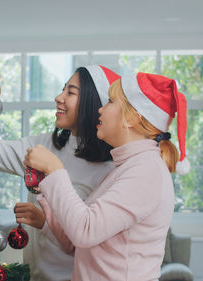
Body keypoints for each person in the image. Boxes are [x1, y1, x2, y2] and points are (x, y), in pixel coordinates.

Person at [24, 72, 190, 280]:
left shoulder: (146, 172)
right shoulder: (127, 168)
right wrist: (46, 223)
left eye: (111, 102)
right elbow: (83, 245)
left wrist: (56, 169)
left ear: (131, 118)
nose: (100, 109)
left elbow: (85, 231)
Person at [0, 65, 121, 281]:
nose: (58, 97)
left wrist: (46, 222)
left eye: (70, 92)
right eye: (63, 89)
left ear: (92, 103)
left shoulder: (111, 169)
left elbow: (96, 244)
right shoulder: (44, 146)